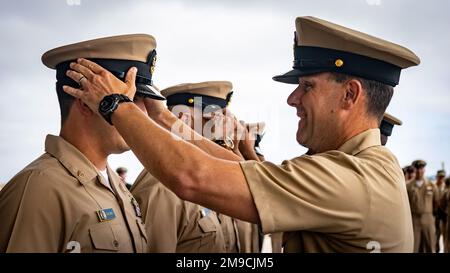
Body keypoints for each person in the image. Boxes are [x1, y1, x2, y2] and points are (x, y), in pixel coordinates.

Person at [63, 16, 420, 252]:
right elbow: (237, 170)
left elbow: (193, 175)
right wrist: (161, 116)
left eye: (307, 86)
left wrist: (114, 105)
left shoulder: (352, 178)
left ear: (350, 94)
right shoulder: (365, 166)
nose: (293, 98)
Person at [0, 34, 165, 252]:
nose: (143, 114)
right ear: (86, 103)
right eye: (130, 101)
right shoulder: (40, 189)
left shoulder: (113, 183)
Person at [131, 81, 242, 253]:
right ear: (183, 121)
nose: (224, 130)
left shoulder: (209, 178)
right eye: (212, 120)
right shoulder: (161, 187)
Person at [406, 160, 439, 253]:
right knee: (414, 246)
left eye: (421, 168)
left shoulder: (431, 185)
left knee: (430, 245)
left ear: (424, 170)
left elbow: (436, 202)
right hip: (414, 218)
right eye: (417, 169)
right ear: (414, 170)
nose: (419, 171)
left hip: (428, 218)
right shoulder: (408, 186)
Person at [434, 170, 447, 252]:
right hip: (435, 215)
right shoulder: (433, 186)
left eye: (442, 177)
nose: (441, 178)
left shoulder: (446, 187)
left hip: (443, 215)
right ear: (437, 177)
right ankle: (436, 250)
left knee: (445, 235)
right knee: (436, 235)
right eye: (440, 177)